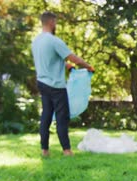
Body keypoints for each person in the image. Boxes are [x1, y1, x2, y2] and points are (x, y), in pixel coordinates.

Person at [31, 11, 94, 157]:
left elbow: (52, 60)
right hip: (56, 86)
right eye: (56, 22)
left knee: (46, 116)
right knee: (62, 118)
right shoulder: (54, 41)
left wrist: (67, 67)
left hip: (42, 83)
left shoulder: (36, 41)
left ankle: (44, 150)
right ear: (52, 22)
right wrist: (88, 66)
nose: (56, 25)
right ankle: (67, 150)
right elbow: (74, 58)